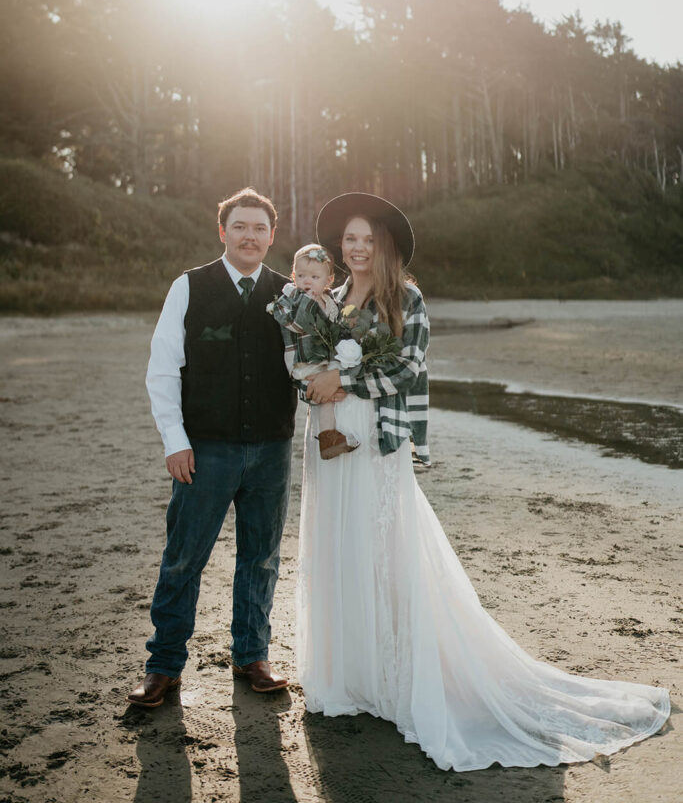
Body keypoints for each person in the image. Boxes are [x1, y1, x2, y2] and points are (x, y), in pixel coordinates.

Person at [296, 192, 670, 771]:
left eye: (369, 239)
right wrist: (313, 386)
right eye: (350, 239)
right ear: (339, 247)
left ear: (385, 244)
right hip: (326, 443)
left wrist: (343, 385)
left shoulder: (407, 297)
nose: (359, 248)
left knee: (386, 553)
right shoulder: (330, 296)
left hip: (377, 439)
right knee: (340, 553)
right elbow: (301, 356)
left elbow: (407, 367)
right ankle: (352, 677)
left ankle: (399, 678)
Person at [128, 187, 298, 707]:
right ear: (222, 232)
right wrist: (174, 442)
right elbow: (163, 367)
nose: (251, 236)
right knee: (183, 558)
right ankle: (163, 666)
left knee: (261, 558)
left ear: (272, 236)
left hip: (272, 448)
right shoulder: (189, 287)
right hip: (205, 449)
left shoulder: (291, 293)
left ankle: (253, 655)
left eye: (261, 228)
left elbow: (310, 365)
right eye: (241, 226)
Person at [267, 243, 359, 459]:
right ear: (293, 276)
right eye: (301, 275)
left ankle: (332, 435)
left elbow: (335, 329)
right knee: (326, 397)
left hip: (323, 360)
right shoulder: (291, 300)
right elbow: (298, 325)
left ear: (329, 280)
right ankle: (328, 438)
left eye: (314, 277)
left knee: (341, 380)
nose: (306, 281)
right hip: (304, 362)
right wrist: (308, 302)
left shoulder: (330, 301)